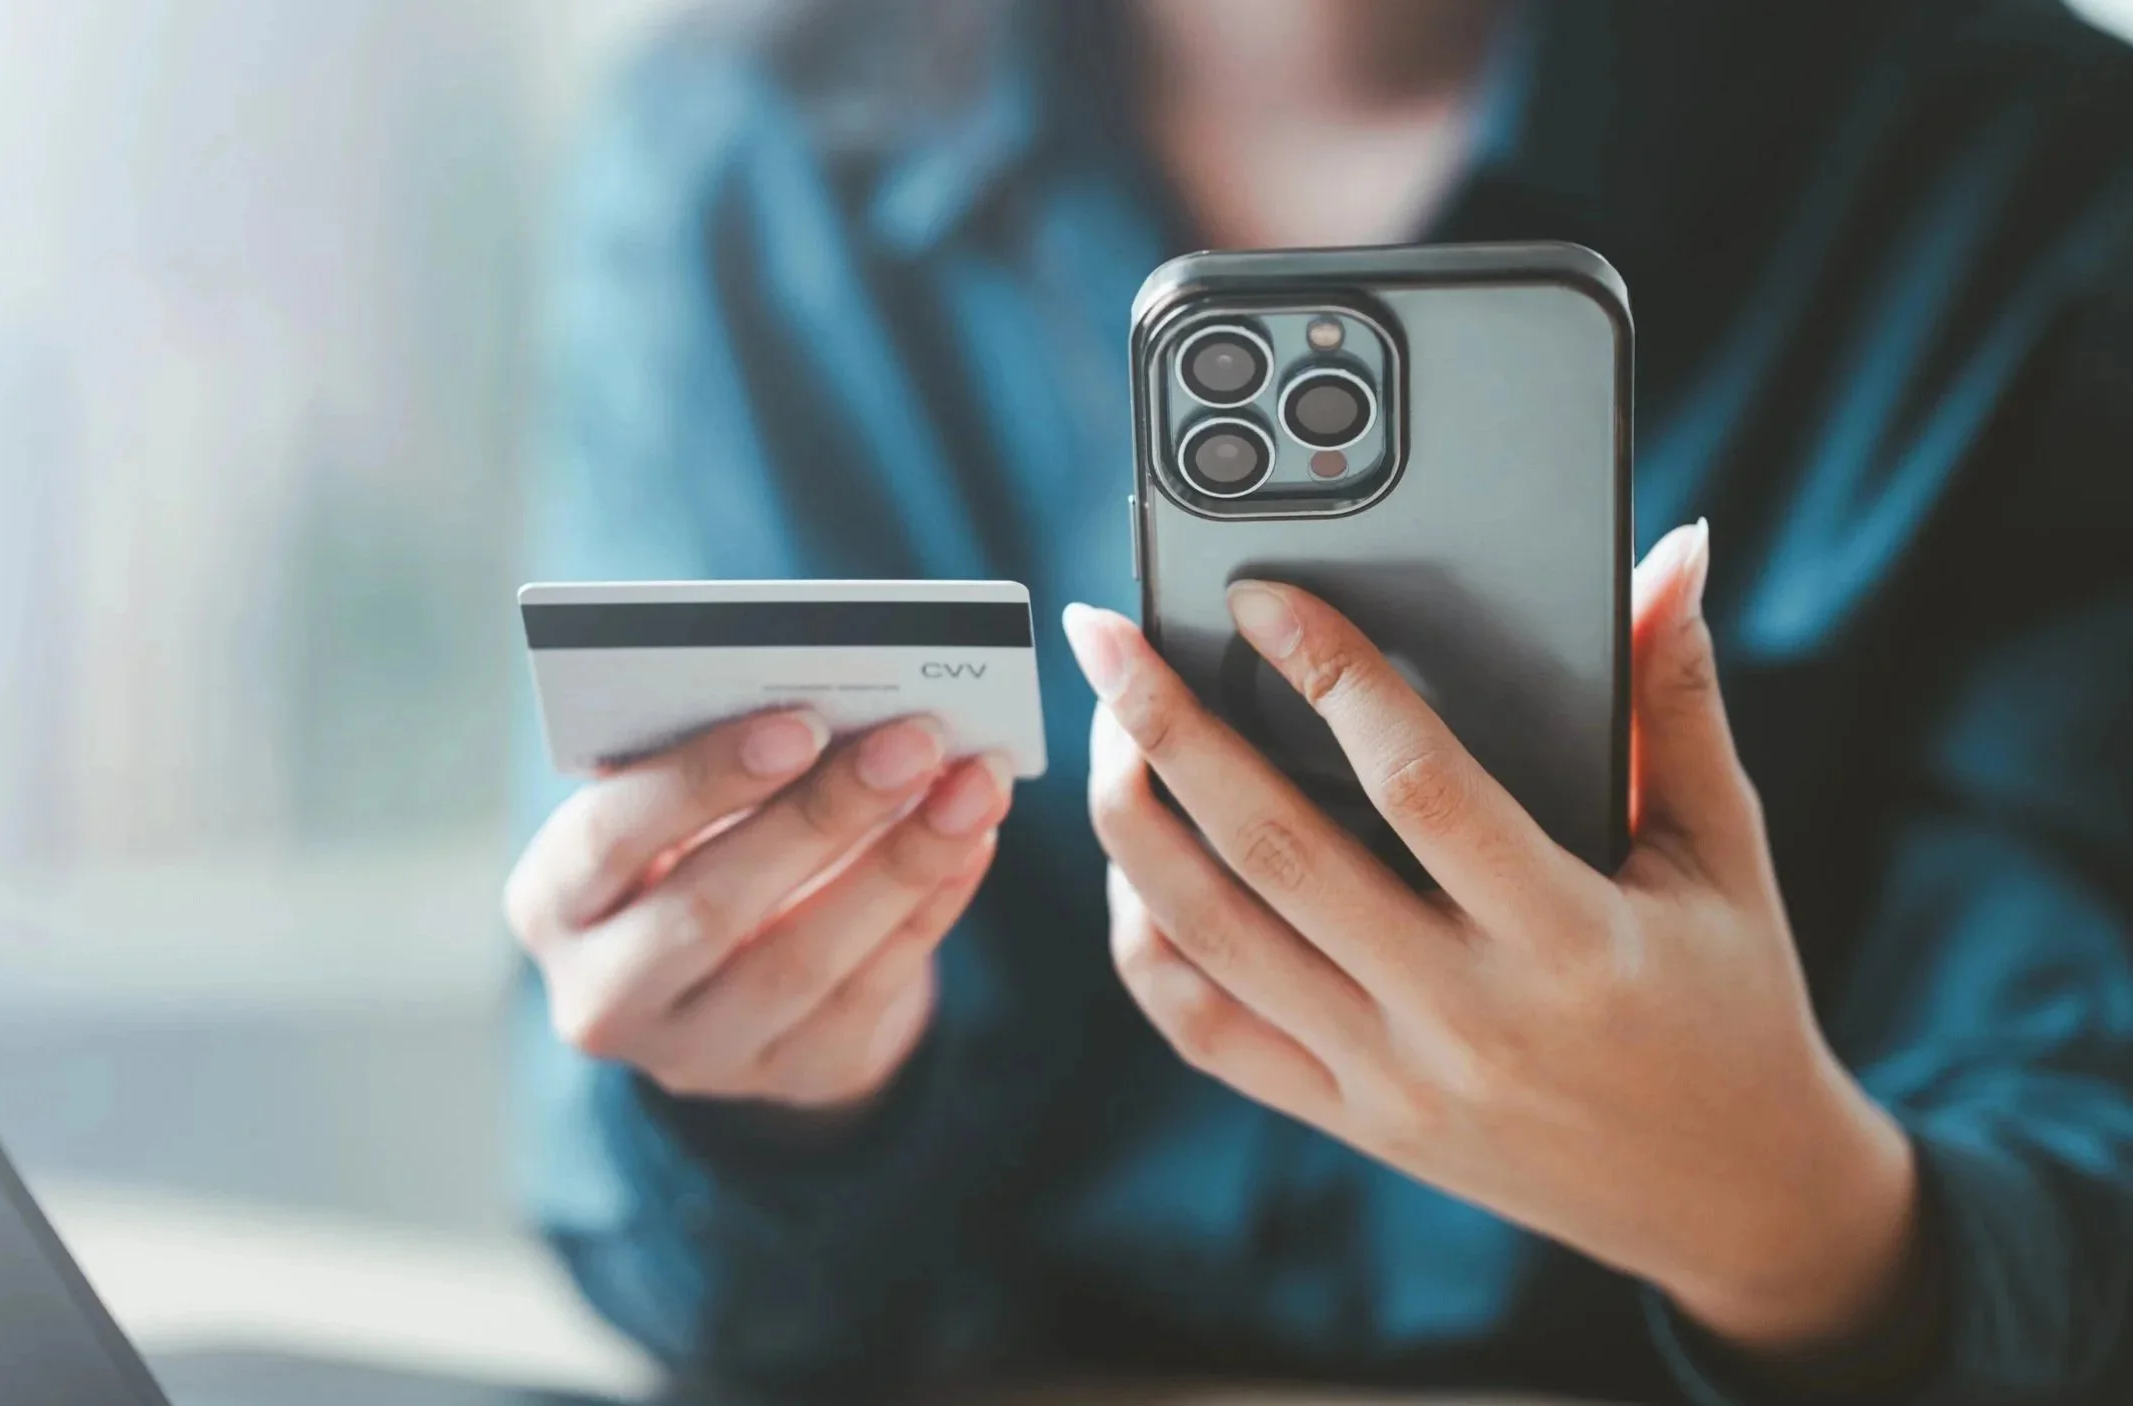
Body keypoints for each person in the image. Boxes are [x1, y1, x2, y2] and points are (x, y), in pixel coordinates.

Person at [503, 2, 2133, 1401]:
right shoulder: (744, 159)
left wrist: (1790, 1225)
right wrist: (771, 1091)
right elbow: (674, 1258)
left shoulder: (2031, 180)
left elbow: (2091, 1170)